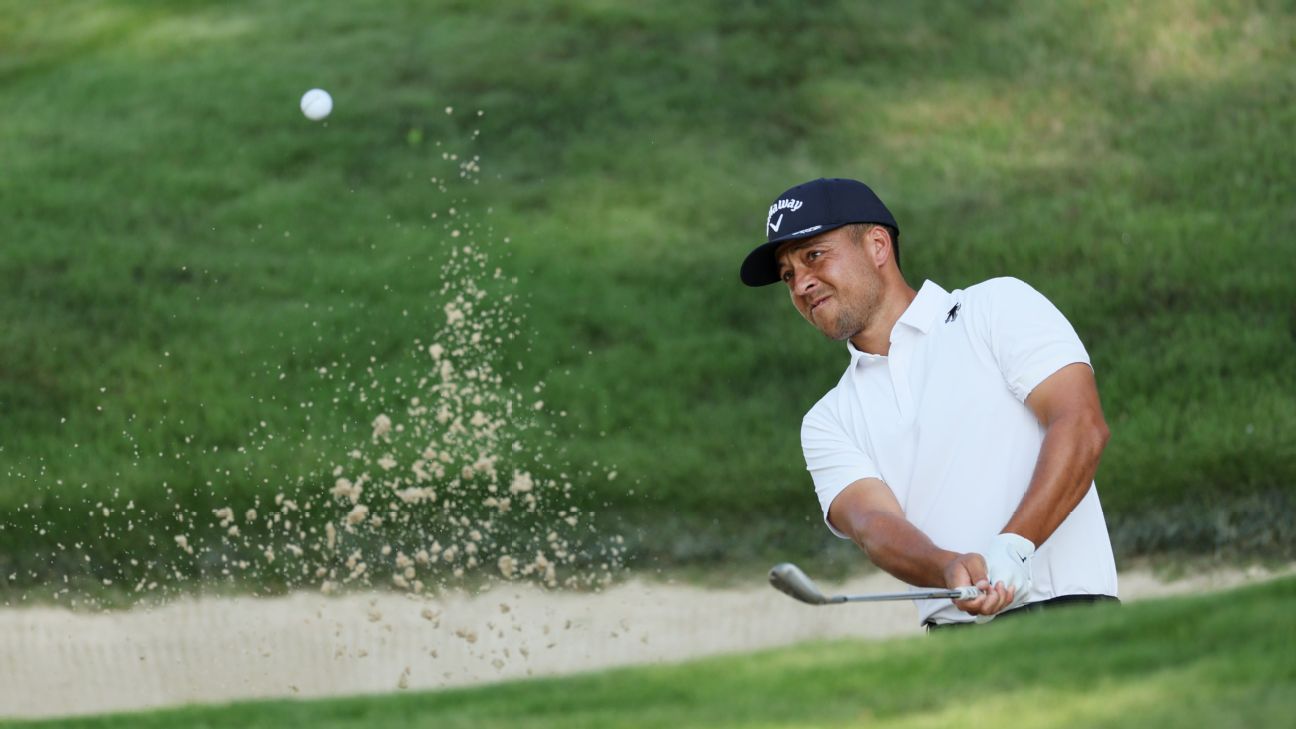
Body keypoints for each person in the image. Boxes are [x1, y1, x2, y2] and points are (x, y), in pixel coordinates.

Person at [741, 178, 1118, 628]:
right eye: (788, 276)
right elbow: (871, 523)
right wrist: (945, 566)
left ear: (878, 245)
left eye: (814, 256)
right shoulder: (828, 420)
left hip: (1068, 612)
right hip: (952, 639)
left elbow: (1080, 424)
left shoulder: (996, 307)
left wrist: (1017, 543)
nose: (801, 284)